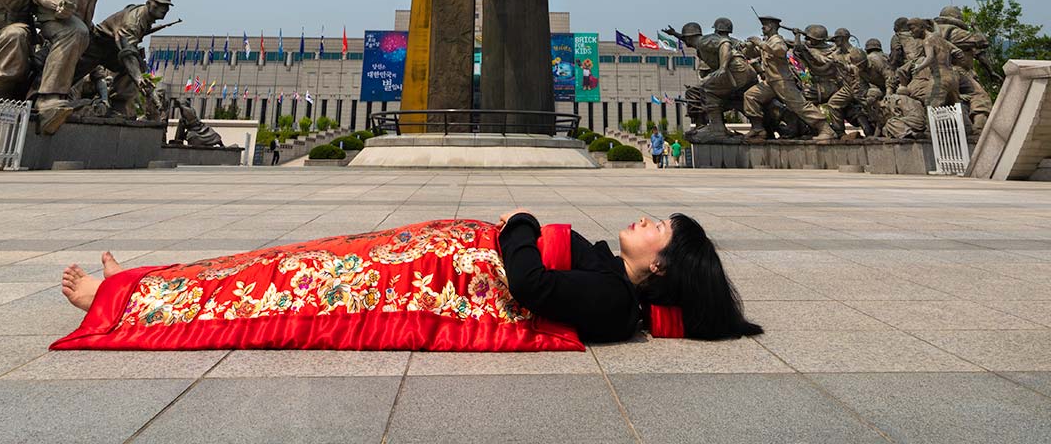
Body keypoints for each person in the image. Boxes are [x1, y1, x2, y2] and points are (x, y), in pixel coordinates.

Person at [54, 211, 761, 350]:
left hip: (421, 280)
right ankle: (146, 283)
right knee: (279, 263)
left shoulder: (612, 301)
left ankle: (118, 301)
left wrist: (518, 222)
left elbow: (529, 287)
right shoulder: (608, 270)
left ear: (662, 267)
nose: (644, 222)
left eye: (659, 229)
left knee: (288, 284)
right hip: (426, 254)